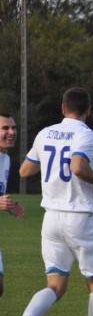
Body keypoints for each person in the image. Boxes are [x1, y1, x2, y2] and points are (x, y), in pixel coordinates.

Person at [5, 87, 93, 316]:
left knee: (56, 284)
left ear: (62, 108)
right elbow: (78, 167)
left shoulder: (45, 133)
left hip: (51, 219)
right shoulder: (87, 134)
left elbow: (25, 170)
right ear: (88, 110)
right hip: (80, 216)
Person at [0, 112, 25, 297]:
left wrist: (8, 206)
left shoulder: (6, 160)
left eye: (13, 127)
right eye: (5, 128)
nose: (11, 132)